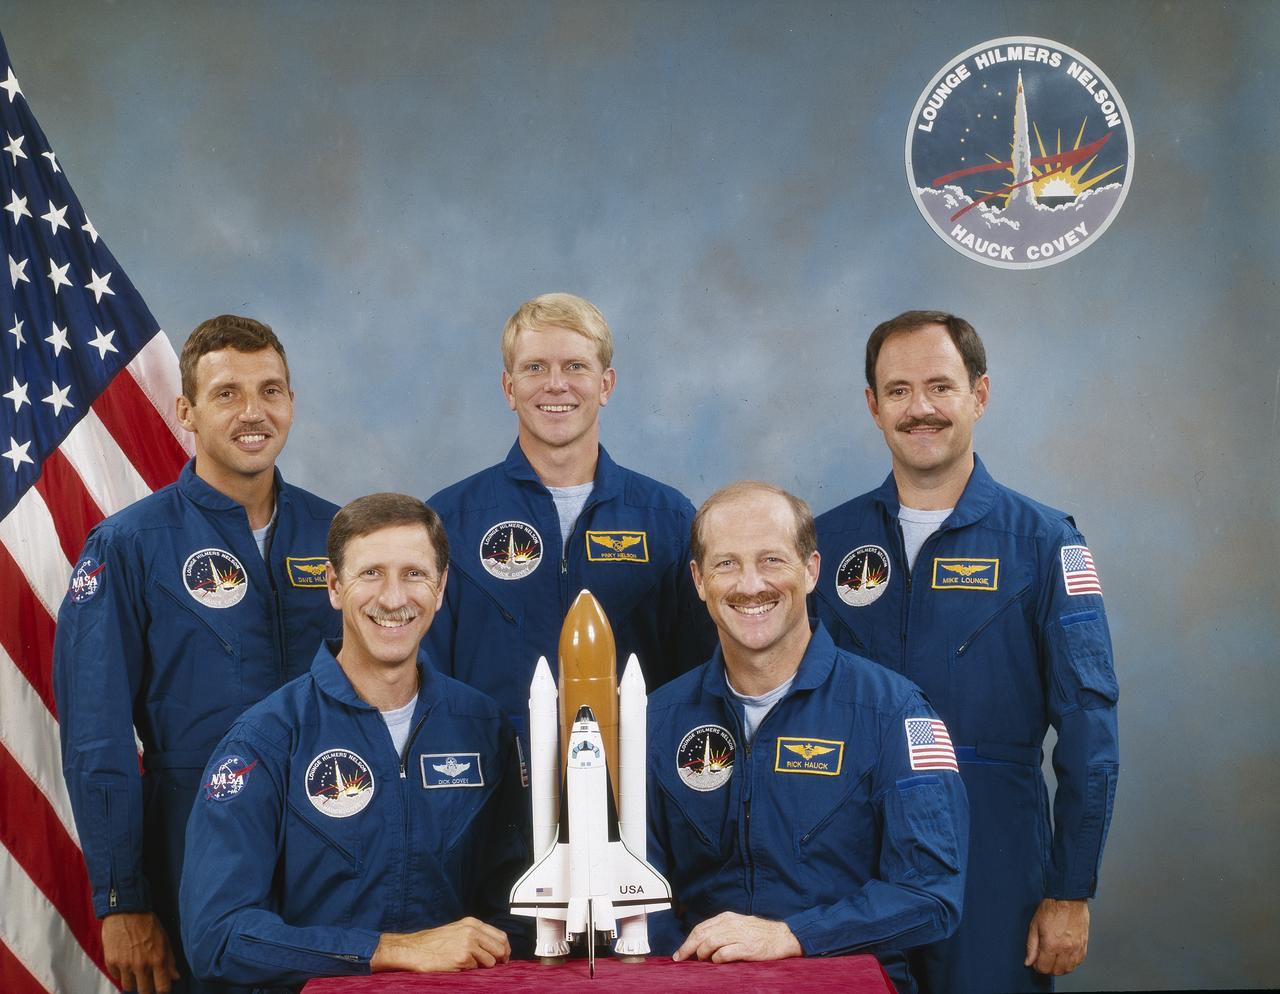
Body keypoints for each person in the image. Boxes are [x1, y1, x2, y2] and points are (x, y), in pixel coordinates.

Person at [812, 311, 1120, 993]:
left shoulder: (1046, 544)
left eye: (940, 387)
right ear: (872, 406)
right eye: (897, 391)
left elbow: (1090, 729)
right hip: (847, 853)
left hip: (995, 852)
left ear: (979, 395)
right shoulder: (824, 546)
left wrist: (1071, 888)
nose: (919, 408)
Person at [54, 315, 341, 994]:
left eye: (271, 391)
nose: (253, 412)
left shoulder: (343, 537)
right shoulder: (129, 546)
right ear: (186, 411)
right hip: (195, 860)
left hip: (334, 859)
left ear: (292, 404)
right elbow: (97, 737)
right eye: (227, 394)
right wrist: (124, 899)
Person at [180, 493, 529, 989]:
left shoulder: (481, 726)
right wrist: (387, 951)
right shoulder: (267, 740)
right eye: (371, 574)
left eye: (414, 573)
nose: (392, 598)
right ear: (334, 586)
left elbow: (516, 904)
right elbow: (216, 937)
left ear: (442, 586)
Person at [646, 481, 968, 994]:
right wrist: (682, 974)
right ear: (699, 580)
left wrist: (793, 936)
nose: (750, 585)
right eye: (726, 564)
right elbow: (640, 895)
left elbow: (931, 895)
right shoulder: (656, 720)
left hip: (842, 980)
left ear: (812, 570)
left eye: (772, 560)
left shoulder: (894, 711)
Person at [426, 292, 714, 736]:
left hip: (633, 791)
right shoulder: (451, 520)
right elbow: (427, 682)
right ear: (509, 388)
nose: (555, 385)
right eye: (535, 367)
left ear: (606, 385)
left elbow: (701, 677)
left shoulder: (668, 521)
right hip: (489, 791)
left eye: (575, 366)